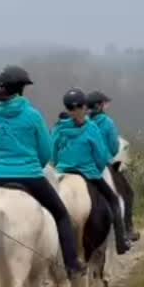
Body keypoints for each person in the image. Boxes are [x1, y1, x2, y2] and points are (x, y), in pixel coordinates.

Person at [0, 65, 85, 276]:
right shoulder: (33, 115)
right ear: (22, 89)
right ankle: (72, 264)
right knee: (61, 215)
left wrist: (2, 164)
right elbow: (46, 152)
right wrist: (32, 165)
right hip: (30, 176)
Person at [52, 89, 129, 254]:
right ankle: (121, 242)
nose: (77, 110)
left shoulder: (59, 129)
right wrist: (96, 169)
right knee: (114, 201)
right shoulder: (91, 128)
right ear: (84, 107)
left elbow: (53, 155)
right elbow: (101, 157)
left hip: (63, 174)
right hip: (89, 174)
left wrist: (62, 166)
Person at [87, 90, 139, 241]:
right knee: (128, 193)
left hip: (86, 164)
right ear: (99, 105)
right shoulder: (107, 122)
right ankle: (127, 229)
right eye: (104, 103)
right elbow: (114, 146)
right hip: (106, 163)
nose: (106, 106)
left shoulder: (85, 121)